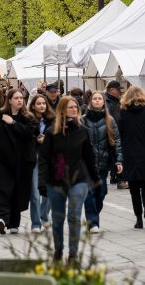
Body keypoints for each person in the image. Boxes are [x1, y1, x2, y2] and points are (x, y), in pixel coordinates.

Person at [38, 96, 100, 262]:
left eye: (76, 107)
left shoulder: (83, 131)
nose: (75, 110)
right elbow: (43, 158)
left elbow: (89, 157)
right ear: (62, 110)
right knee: (58, 219)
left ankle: (73, 254)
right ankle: (58, 250)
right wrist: (42, 182)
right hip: (55, 180)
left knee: (74, 216)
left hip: (78, 180)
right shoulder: (52, 132)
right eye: (71, 107)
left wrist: (96, 179)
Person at [0, 89, 36, 235]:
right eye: (16, 98)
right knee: (3, 189)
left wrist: (13, 123)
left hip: (22, 162)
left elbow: (28, 134)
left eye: (21, 98)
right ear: (9, 100)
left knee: (17, 190)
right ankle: (1, 219)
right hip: (2, 161)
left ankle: (14, 223)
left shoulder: (27, 117)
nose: (19, 100)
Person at [119, 86, 145, 229]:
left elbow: (119, 131)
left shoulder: (123, 112)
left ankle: (138, 219)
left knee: (134, 188)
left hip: (129, 152)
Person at [82, 90, 123, 233]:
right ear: (91, 101)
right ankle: (93, 222)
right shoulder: (83, 119)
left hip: (104, 162)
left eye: (100, 99)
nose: (98, 101)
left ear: (103, 102)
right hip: (86, 163)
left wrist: (119, 160)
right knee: (90, 192)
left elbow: (117, 141)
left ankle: (92, 216)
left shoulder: (109, 119)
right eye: (95, 99)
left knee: (102, 192)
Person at [28, 94, 55, 232]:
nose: (42, 106)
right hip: (33, 158)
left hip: (49, 159)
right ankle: (36, 223)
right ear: (33, 106)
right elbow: (24, 138)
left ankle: (44, 215)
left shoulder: (53, 120)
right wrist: (36, 139)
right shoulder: (28, 120)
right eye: (38, 103)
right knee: (35, 192)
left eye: (43, 103)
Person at [105, 80, 125, 188]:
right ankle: (118, 178)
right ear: (112, 90)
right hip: (109, 131)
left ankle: (116, 177)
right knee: (113, 154)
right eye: (118, 90)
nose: (120, 92)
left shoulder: (117, 100)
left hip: (117, 131)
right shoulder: (106, 100)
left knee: (116, 154)